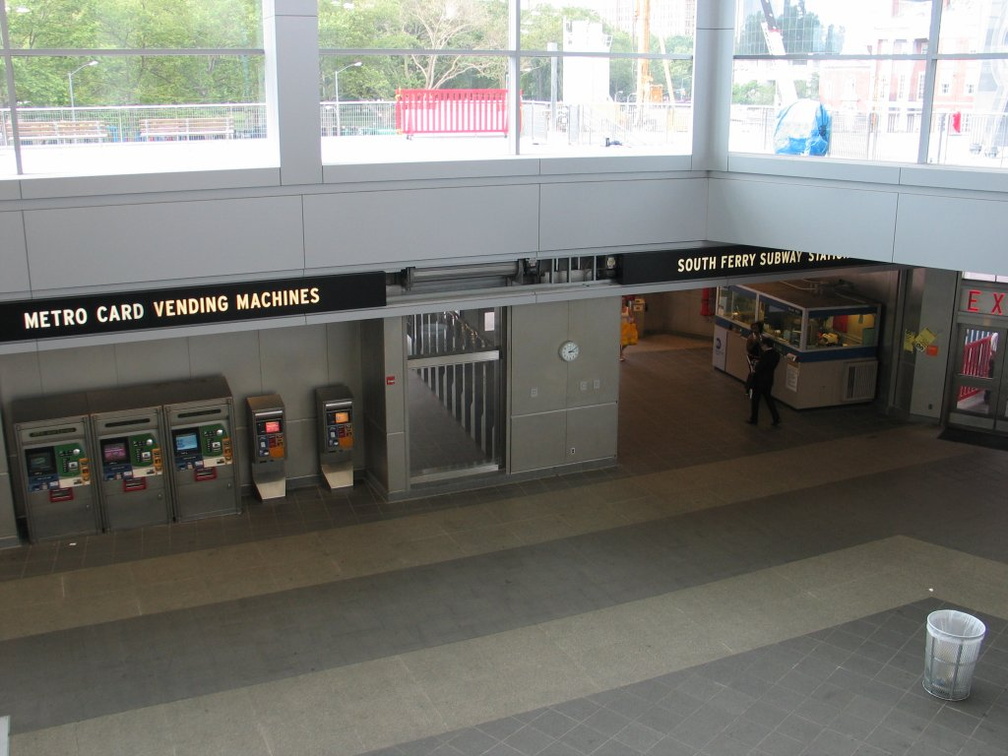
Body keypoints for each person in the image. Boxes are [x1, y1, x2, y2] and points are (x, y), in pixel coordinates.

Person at [747, 334, 781, 426]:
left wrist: (755, 366)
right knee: (769, 399)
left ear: (765, 345)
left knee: (755, 400)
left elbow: (759, 368)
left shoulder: (765, 355)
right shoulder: (776, 354)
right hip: (769, 380)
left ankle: (754, 419)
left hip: (759, 381)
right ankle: (776, 417)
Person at [744, 321, 764, 396]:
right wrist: (755, 343)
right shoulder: (750, 338)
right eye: (753, 328)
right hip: (752, 357)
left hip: (759, 358)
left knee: (758, 373)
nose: (754, 330)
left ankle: (755, 388)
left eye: (756, 328)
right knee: (753, 372)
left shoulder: (762, 337)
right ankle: (748, 388)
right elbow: (748, 349)